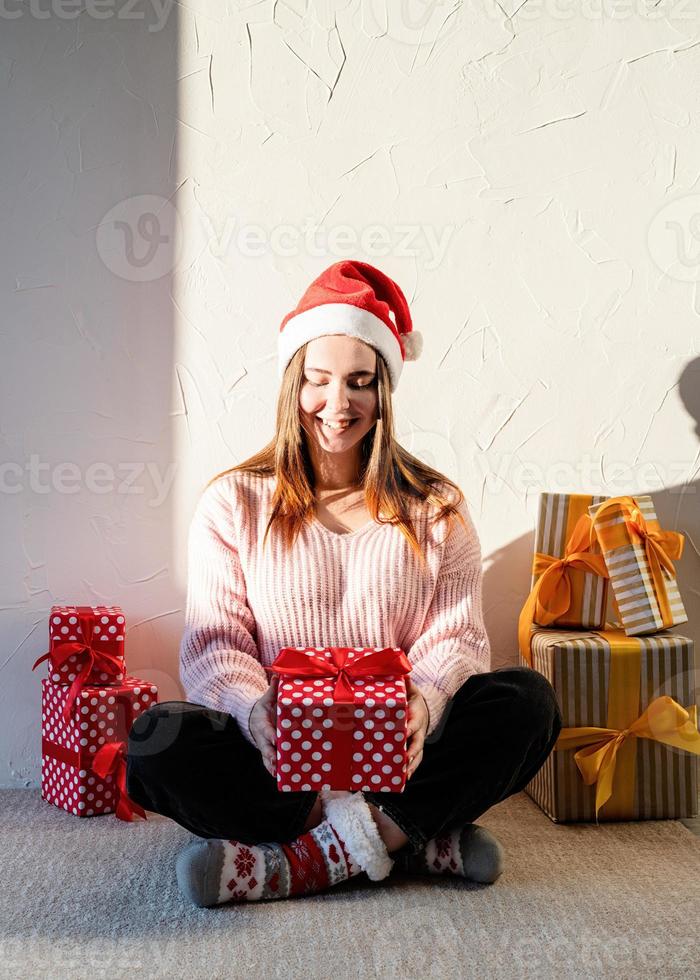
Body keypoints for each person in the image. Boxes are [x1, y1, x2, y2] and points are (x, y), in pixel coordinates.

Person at [125, 259, 562, 909]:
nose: (338, 404)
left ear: (384, 391)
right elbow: (216, 645)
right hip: (280, 761)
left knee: (528, 701)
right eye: (318, 381)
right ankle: (407, 839)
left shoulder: (435, 506)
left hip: (401, 756)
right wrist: (256, 712)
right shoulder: (234, 503)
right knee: (154, 741)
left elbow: (458, 637)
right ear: (291, 385)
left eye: (360, 382)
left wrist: (423, 703)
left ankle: (301, 862)